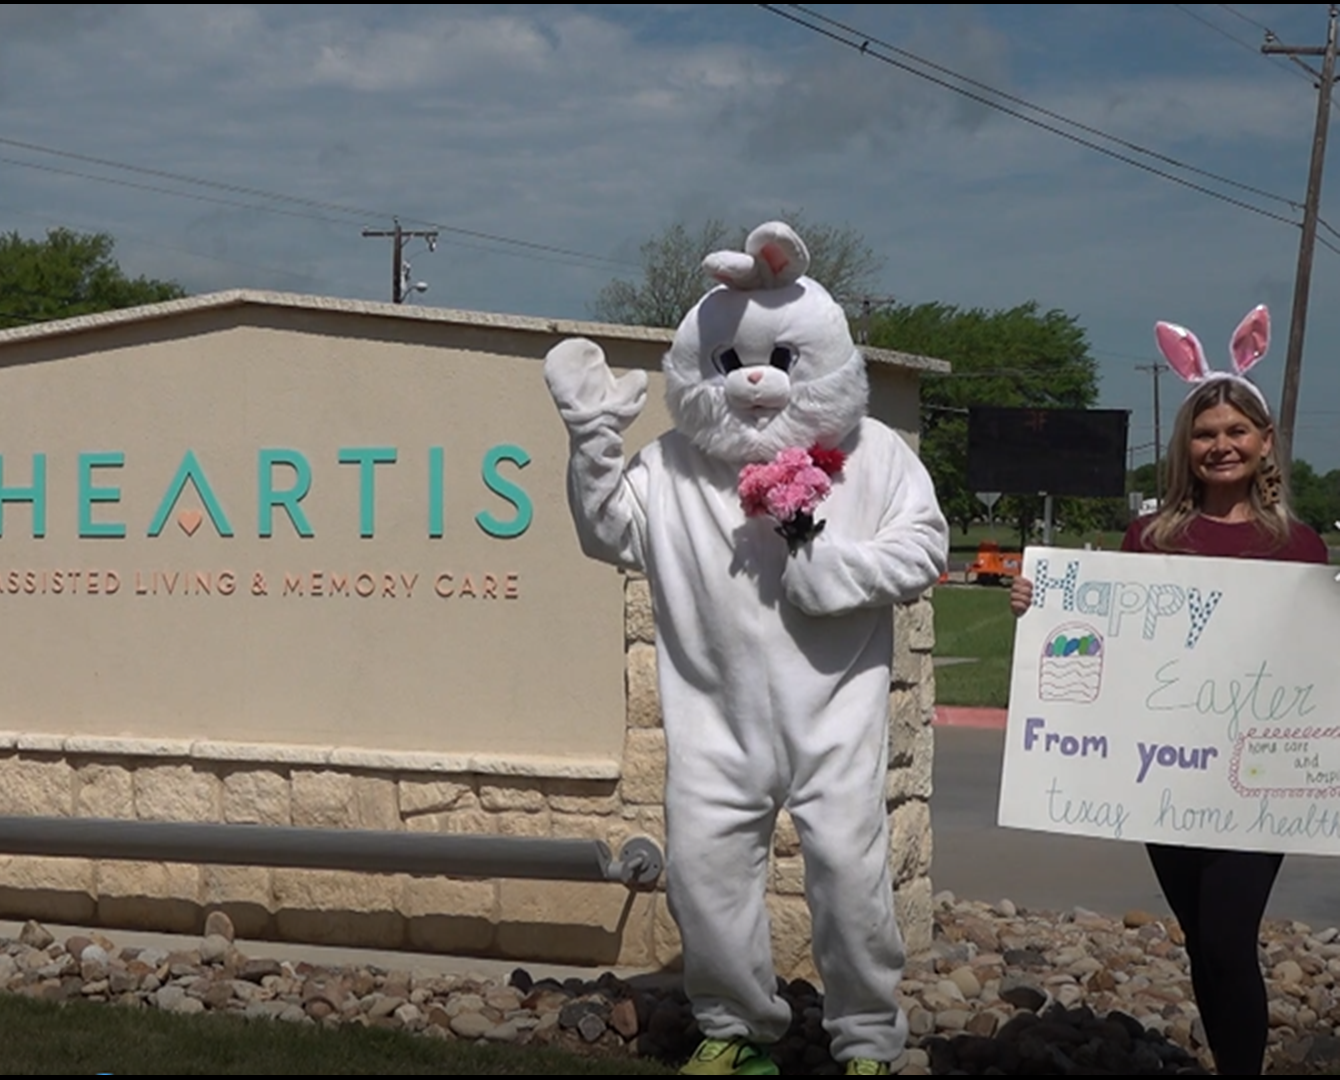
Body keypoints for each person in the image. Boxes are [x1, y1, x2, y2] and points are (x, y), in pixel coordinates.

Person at [543, 222, 947, 1076]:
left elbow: (924, 551)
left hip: (834, 713)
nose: (756, 379)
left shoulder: (872, 458)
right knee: (706, 880)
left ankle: (868, 1039)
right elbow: (610, 532)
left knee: (850, 879)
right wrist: (591, 447)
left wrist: (823, 563)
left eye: (784, 361)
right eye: (729, 363)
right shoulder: (674, 466)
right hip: (713, 718)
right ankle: (735, 1026)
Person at [1009, 305, 1326, 1076]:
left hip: (1259, 781)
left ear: (1264, 443)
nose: (1221, 445)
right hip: (1165, 778)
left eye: (1236, 432)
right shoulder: (1148, 540)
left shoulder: (1300, 546)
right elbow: (1107, 636)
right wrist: (1041, 603)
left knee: (1227, 936)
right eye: (1205, 432)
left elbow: (1316, 664)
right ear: (1186, 445)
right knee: (1203, 939)